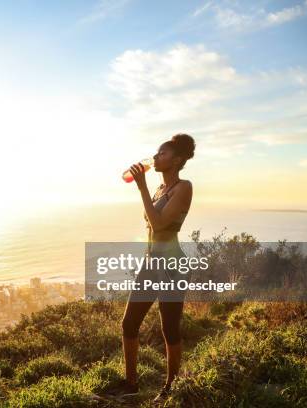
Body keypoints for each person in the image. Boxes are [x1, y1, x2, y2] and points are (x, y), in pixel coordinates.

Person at [117, 133, 195, 402]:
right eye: (157, 153)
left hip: (172, 265)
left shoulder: (184, 187)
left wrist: (141, 187)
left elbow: (160, 224)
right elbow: (153, 222)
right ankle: (131, 384)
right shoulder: (160, 190)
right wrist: (145, 188)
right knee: (128, 324)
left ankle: (171, 387)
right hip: (151, 263)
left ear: (177, 160)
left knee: (169, 328)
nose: (156, 157)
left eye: (162, 153)